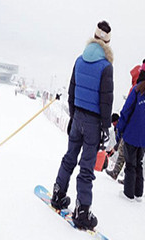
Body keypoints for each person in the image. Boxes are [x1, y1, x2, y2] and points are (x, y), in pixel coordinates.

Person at [50, 21, 113, 230]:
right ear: (108, 42)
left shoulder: (79, 60)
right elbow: (106, 101)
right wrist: (105, 126)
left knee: (70, 157)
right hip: (94, 122)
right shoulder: (106, 67)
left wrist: (74, 115)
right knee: (86, 167)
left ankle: (58, 193)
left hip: (77, 118)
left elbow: (72, 91)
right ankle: (83, 211)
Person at [116, 59, 145, 202]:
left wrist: (119, 130)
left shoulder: (137, 90)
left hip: (132, 133)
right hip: (143, 138)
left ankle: (128, 194)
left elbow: (126, 111)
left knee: (130, 164)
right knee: (138, 163)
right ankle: (138, 193)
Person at [106, 64, 141, 182]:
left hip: (131, 129)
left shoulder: (136, 89)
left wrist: (121, 128)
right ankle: (134, 185)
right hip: (140, 132)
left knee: (127, 156)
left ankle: (126, 182)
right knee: (136, 160)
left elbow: (127, 110)